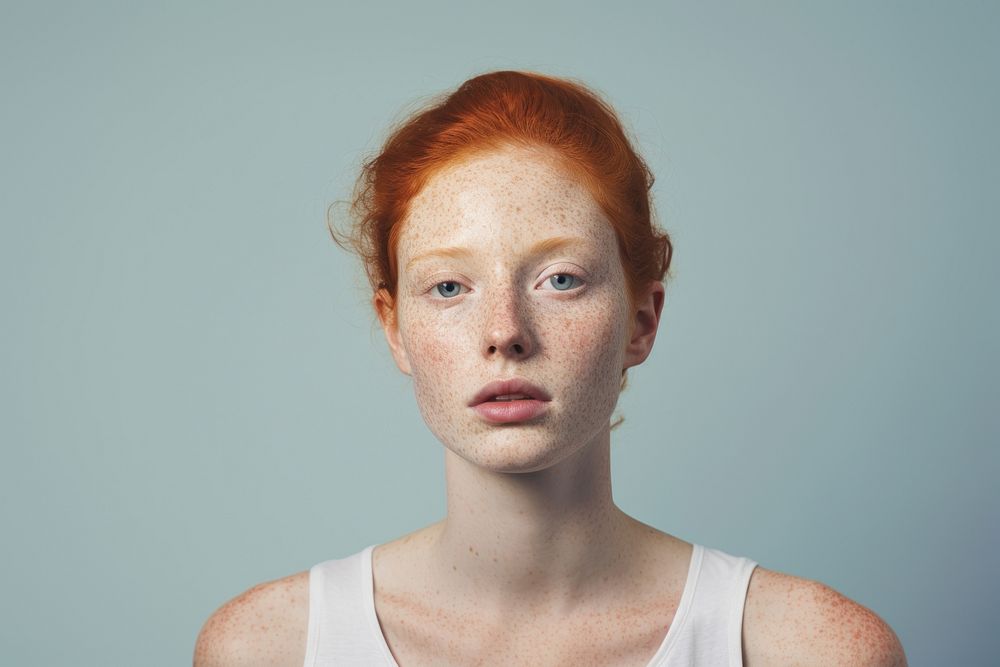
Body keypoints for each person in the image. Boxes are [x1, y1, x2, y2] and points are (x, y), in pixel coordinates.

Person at [193, 70, 907, 666]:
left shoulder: (808, 648)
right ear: (395, 328)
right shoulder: (267, 647)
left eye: (561, 279)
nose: (505, 332)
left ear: (641, 320)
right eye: (449, 287)